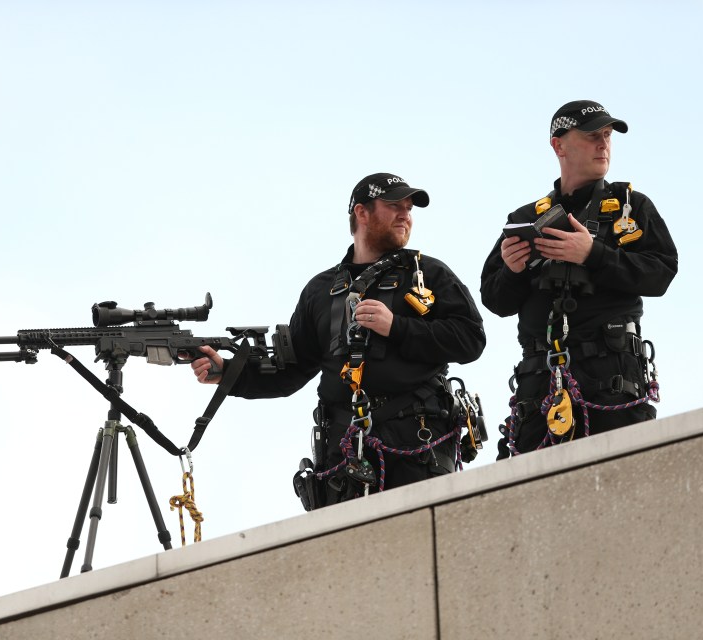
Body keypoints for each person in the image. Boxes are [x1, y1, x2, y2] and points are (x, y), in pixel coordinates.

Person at [190, 173, 486, 507]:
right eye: (394, 206)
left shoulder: (428, 274)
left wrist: (398, 327)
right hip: (343, 453)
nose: (405, 215)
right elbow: (292, 369)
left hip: (416, 442)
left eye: (409, 208)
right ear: (362, 213)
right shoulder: (321, 290)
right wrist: (227, 374)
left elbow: (471, 338)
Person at [480, 100, 678, 457]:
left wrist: (593, 254)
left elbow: (661, 273)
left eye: (606, 136)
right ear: (559, 145)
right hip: (540, 385)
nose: (603, 144)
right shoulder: (526, 218)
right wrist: (512, 271)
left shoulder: (629, 206)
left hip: (613, 379)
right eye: (591, 136)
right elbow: (495, 300)